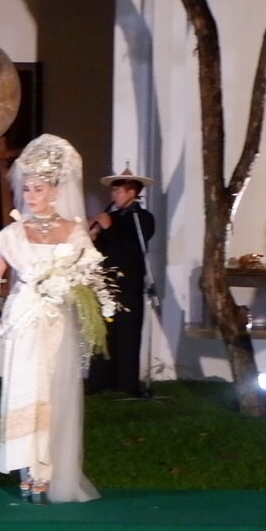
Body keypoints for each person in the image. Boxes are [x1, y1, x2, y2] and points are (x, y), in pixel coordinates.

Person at [0, 134, 105, 504]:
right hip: (23, 319)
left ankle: (46, 468)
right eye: (27, 189)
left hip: (55, 320)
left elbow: (90, 275)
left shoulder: (73, 231)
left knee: (51, 391)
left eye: (38, 189)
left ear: (54, 191)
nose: (31, 195)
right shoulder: (15, 232)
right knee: (25, 389)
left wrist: (78, 293)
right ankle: (26, 468)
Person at [86, 165, 155, 396]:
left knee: (128, 333)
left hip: (129, 284)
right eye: (113, 190)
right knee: (103, 331)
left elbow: (134, 248)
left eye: (118, 190)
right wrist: (94, 236)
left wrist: (108, 228)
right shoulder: (111, 217)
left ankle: (127, 384)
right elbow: (102, 249)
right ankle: (98, 381)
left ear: (132, 192)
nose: (113, 194)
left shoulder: (143, 218)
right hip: (106, 281)